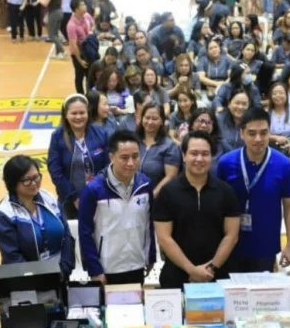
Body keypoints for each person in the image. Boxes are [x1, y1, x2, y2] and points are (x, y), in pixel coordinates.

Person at [152, 131, 242, 289]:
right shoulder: (168, 192)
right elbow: (164, 238)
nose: (199, 159)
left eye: (205, 154)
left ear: (212, 157)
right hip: (177, 274)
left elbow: (231, 235)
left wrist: (212, 267)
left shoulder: (226, 191)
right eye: (194, 153)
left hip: (218, 274)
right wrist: (191, 270)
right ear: (184, 156)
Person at [215, 108, 290, 274]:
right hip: (230, 244)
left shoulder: (284, 165)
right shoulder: (226, 163)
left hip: (265, 243)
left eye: (263, 133)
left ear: (270, 133)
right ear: (242, 133)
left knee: (261, 296)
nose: (258, 139)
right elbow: (217, 205)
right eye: (252, 133)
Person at [77, 132, 155, 286]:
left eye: (135, 156)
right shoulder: (93, 190)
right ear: (111, 157)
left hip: (137, 264)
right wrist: (95, 269)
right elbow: (85, 232)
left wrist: (150, 256)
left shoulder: (145, 185)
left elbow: (149, 224)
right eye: (124, 158)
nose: (131, 163)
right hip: (107, 269)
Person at [0, 154, 76, 280]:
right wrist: (39, 279)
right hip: (26, 282)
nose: (34, 183)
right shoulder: (3, 215)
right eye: (27, 180)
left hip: (60, 275)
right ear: (13, 182)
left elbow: (67, 234)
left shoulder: (48, 198)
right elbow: (13, 257)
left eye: (36, 177)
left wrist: (64, 269)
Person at [134, 101, 181, 197]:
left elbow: (170, 176)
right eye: (147, 118)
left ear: (162, 121)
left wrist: (151, 196)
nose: (150, 122)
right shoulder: (133, 140)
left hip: (156, 198)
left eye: (155, 119)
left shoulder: (169, 146)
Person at [66, 0, 96, 95]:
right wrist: (80, 60)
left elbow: (93, 23)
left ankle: (90, 95)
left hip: (88, 50)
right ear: (76, 9)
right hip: (78, 52)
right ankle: (80, 95)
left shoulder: (86, 16)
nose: (85, 6)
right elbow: (74, 45)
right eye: (82, 5)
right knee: (79, 75)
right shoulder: (71, 25)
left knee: (90, 75)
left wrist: (91, 32)